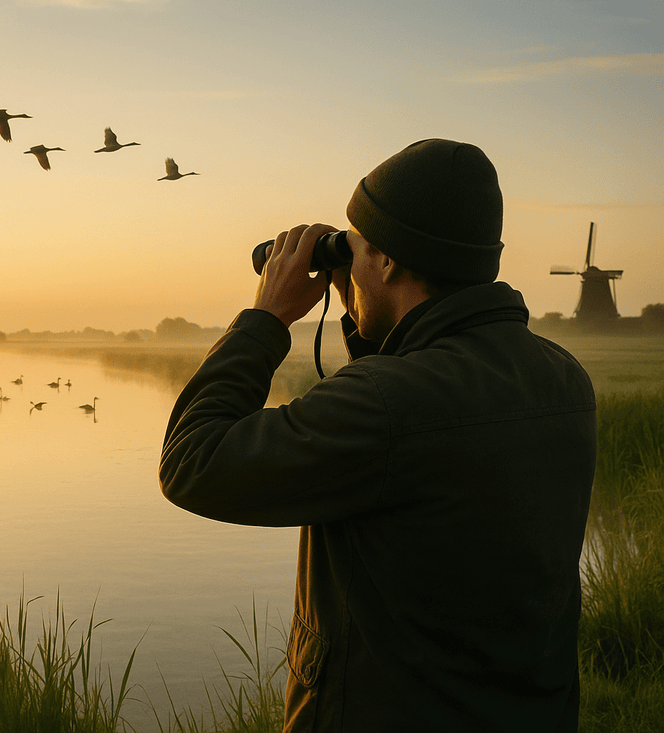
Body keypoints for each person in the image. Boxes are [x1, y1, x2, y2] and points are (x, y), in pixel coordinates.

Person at [159, 139, 596, 732]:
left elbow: (192, 462)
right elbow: (412, 437)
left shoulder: (389, 406)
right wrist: (365, 314)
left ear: (387, 261)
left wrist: (265, 318)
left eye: (357, 245)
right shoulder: (562, 377)